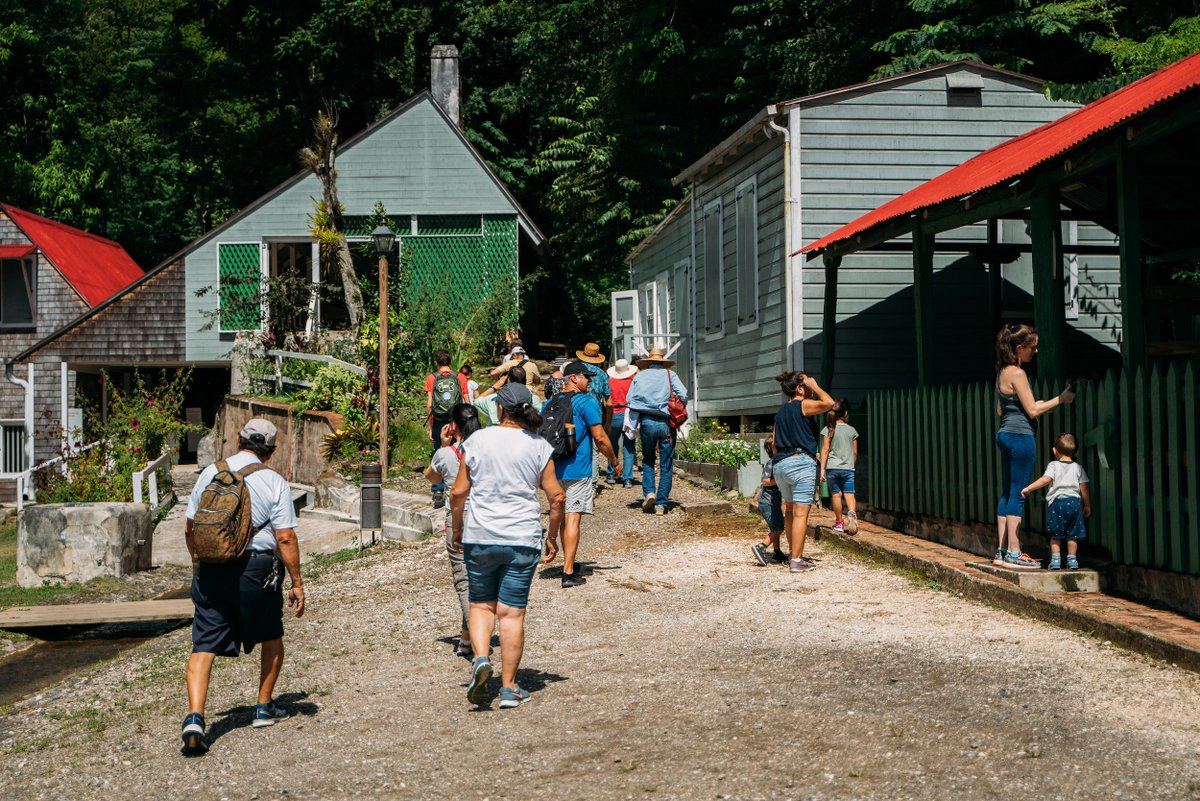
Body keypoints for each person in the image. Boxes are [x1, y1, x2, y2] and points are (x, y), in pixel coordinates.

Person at [181, 419, 305, 755]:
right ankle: (264, 707)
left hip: (212, 569)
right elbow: (285, 536)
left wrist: (198, 563)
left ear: (238, 440)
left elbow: (191, 526)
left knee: (203, 644)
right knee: (271, 635)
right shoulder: (274, 481)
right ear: (272, 450)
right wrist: (296, 581)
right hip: (256, 569)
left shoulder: (210, 473)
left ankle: (195, 717)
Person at [449, 383, 566, 709]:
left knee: (481, 605)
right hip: (521, 539)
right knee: (511, 614)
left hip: (481, 536)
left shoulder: (477, 440)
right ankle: (509, 688)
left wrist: (458, 528)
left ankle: (482, 659)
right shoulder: (538, 446)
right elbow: (556, 497)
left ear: (499, 408)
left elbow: (458, 493)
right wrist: (552, 537)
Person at [994, 324, 1074, 570]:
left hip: (1005, 433)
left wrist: (1038, 405)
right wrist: (1061, 399)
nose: (1035, 351)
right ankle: (1015, 553)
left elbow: (1003, 409)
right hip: (1020, 437)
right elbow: (1032, 410)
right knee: (1020, 492)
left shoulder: (1002, 372)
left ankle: (1002, 550)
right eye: (1032, 347)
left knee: (1007, 492)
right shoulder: (1018, 373)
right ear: (1019, 348)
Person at [548, 360, 617, 587]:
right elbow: (599, 437)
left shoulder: (550, 402)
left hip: (554, 468)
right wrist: (614, 461)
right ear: (574, 379)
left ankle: (569, 562)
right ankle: (568, 573)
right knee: (573, 517)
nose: (590, 380)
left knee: (561, 519)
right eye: (586, 377)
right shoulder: (586, 402)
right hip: (578, 467)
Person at [424, 403, 483, 657]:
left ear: (453, 426)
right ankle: (467, 639)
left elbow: (432, 478)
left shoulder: (445, 454)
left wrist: (442, 445)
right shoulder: (486, 448)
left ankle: (481, 651)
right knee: (478, 580)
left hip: (458, 520)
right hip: (485, 520)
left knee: (464, 580)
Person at [771, 371, 836, 573]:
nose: (810, 385)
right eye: (806, 383)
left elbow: (774, 443)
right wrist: (815, 387)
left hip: (780, 463)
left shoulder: (781, 411)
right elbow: (829, 404)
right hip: (801, 462)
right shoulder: (803, 405)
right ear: (799, 388)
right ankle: (797, 560)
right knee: (801, 514)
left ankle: (793, 553)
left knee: (789, 512)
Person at [625, 347, 688, 515]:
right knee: (666, 463)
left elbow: (629, 399)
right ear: (662, 361)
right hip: (666, 423)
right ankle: (661, 503)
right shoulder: (670, 375)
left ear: (649, 362)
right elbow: (684, 394)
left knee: (647, 459)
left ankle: (649, 492)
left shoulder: (640, 376)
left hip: (646, 422)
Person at [1021, 433, 1090, 570]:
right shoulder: (1078, 467)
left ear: (1054, 450)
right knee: (1072, 535)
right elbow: (1084, 487)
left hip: (1058, 504)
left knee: (1055, 535)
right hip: (1075, 504)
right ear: (1076, 452)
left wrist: (1029, 488)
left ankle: (1056, 561)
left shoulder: (1053, 465)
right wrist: (1087, 505)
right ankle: (1072, 561)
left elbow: (1046, 479)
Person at [425, 349, 470, 508]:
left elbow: (430, 405)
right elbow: (466, 401)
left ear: (436, 362)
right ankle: (459, 486)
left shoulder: (432, 378)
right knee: (459, 452)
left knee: (439, 451)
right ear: (450, 362)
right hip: (457, 421)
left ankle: (438, 491)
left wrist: (431, 427)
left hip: (439, 421)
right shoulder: (460, 377)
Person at [819, 399, 859, 535]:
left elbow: (825, 449)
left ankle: (839, 523)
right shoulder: (852, 430)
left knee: (836, 495)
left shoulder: (828, 429)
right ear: (845, 413)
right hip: (848, 468)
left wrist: (822, 469)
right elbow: (855, 452)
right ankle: (852, 514)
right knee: (849, 493)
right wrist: (852, 465)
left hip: (832, 467)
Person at [751, 434, 788, 566]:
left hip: (772, 502)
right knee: (778, 528)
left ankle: (777, 551)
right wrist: (780, 481)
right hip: (768, 502)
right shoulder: (772, 463)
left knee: (775, 526)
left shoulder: (776, 462)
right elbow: (766, 481)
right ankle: (761, 547)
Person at [605, 358, 639, 487]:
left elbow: (606, 401)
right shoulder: (633, 381)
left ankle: (611, 473)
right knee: (629, 446)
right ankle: (628, 478)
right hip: (629, 414)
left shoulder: (610, 382)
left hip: (615, 413)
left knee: (612, 445)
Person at [474, 366, 542, 426]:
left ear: (508, 379)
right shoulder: (533, 399)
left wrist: (495, 387)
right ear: (525, 380)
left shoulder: (494, 399)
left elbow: (477, 401)